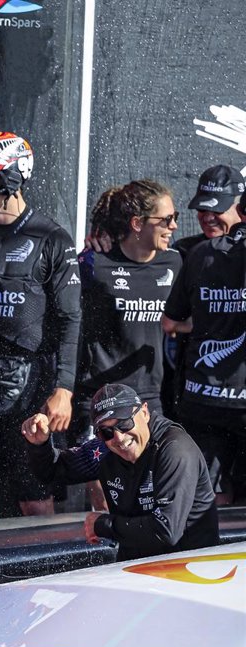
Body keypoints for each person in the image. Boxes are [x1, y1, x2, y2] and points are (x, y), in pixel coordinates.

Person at [0, 131, 81, 520]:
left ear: (10, 176)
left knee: (34, 491)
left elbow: (72, 317)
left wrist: (64, 388)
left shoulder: (52, 239)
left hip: (29, 379)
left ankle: (46, 576)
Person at [73, 181, 184, 513]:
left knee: (151, 500)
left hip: (149, 400)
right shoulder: (94, 264)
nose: (174, 225)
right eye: (166, 219)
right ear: (137, 223)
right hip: (98, 398)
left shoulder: (176, 263)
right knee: (107, 504)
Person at [23, 383, 218, 561]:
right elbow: (52, 472)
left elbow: (166, 531)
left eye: (124, 424)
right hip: (134, 569)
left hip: (189, 570)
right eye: (106, 432)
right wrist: (40, 444)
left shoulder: (175, 450)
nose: (119, 438)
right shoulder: (105, 449)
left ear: (144, 413)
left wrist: (103, 524)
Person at [163, 200, 246, 506]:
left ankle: (212, 551)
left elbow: (170, 322)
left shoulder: (201, 252)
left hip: (203, 395)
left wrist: (209, 321)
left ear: (240, 211)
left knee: (212, 493)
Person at [175, 164, 243, 258]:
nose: (208, 218)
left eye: (218, 209)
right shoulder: (184, 251)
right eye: (202, 209)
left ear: (240, 208)